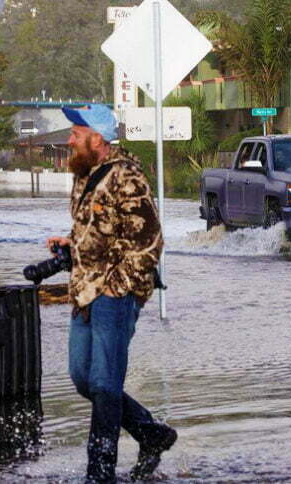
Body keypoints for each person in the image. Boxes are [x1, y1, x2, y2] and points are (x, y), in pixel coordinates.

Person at [46, 104, 177, 482]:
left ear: (96, 138)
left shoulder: (127, 177)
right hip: (83, 289)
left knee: (105, 383)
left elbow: (150, 243)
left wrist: (119, 289)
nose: (70, 138)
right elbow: (97, 231)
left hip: (114, 294)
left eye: (76, 132)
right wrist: (69, 243)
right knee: (82, 378)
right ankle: (151, 433)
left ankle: (99, 471)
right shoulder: (84, 175)